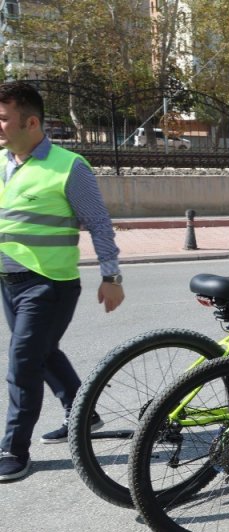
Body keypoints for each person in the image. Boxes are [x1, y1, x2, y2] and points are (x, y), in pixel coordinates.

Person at [0, 81, 125, 482]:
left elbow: (99, 224)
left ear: (31, 122)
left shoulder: (69, 166)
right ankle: (84, 414)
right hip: (10, 281)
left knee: (24, 363)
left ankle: (14, 450)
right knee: (44, 352)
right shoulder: (5, 163)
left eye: (4, 119)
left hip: (49, 284)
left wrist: (111, 275)